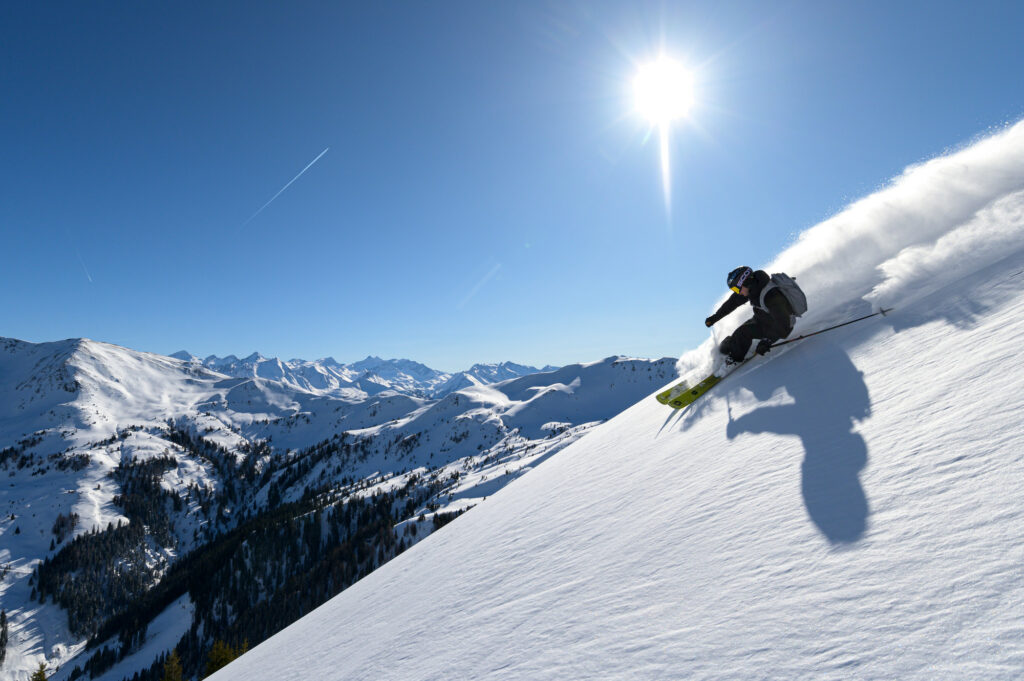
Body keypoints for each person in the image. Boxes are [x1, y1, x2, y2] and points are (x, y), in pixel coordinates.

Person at [705, 266, 796, 363]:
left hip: (777, 326)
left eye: (736, 289)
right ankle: (732, 353)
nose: (738, 293)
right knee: (727, 345)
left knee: (742, 333)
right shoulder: (753, 289)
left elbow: (783, 323)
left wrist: (767, 341)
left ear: (745, 282)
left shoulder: (770, 295)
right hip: (762, 320)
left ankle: (734, 360)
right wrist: (715, 318)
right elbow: (732, 303)